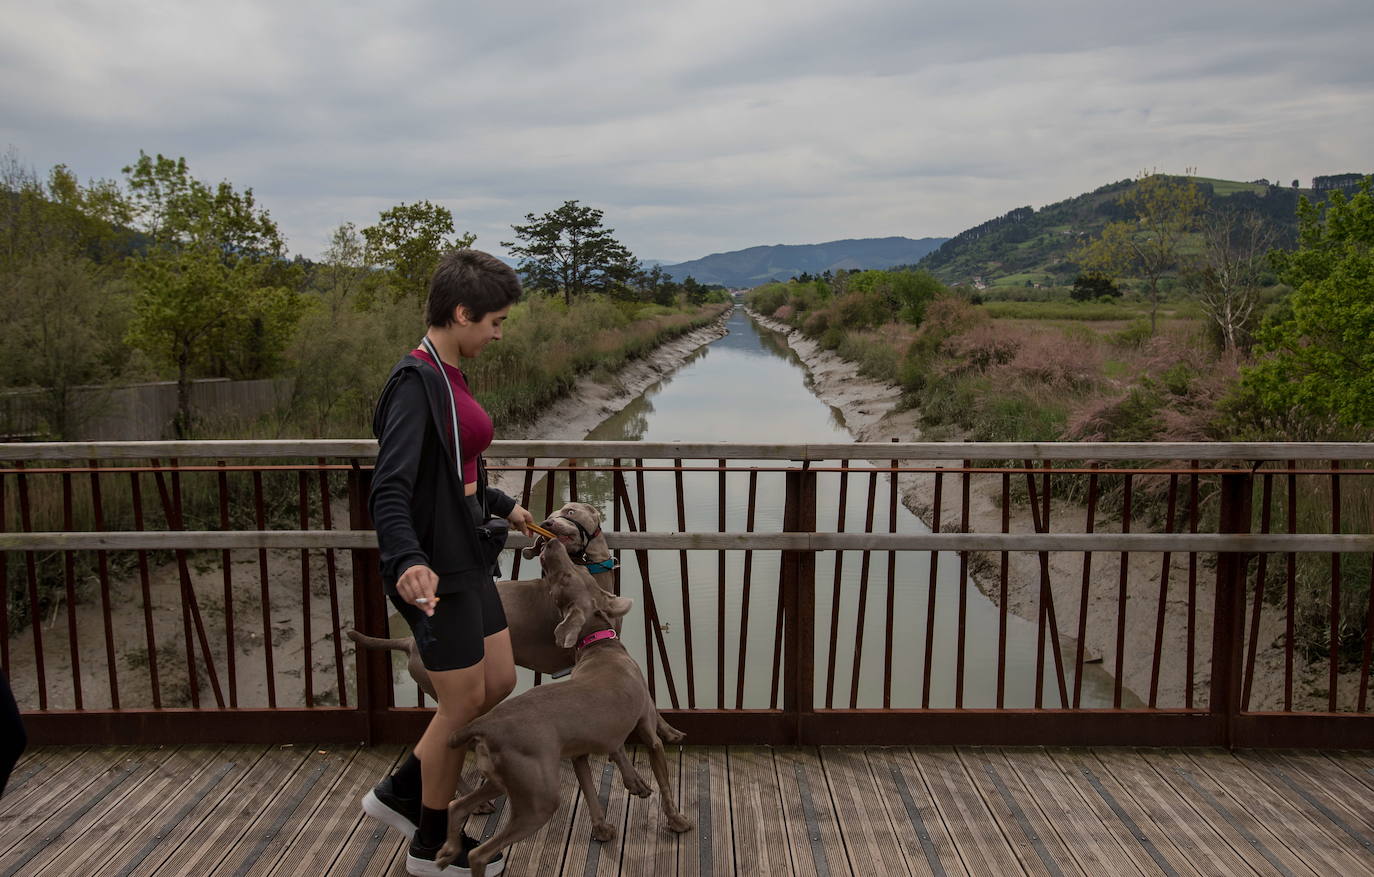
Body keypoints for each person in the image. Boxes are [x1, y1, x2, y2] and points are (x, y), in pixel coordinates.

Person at [362, 249, 533, 877]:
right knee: (461, 703)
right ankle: (432, 844)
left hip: (468, 552)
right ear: (462, 313)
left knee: (498, 682)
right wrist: (407, 559)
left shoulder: (451, 374)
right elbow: (391, 486)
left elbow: (455, 468)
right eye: (494, 320)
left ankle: (400, 790)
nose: (498, 331)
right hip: (436, 562)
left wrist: (501, 504)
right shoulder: (416, 382)